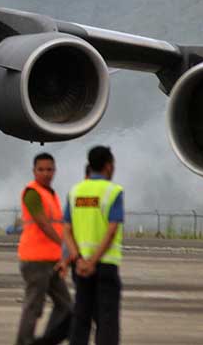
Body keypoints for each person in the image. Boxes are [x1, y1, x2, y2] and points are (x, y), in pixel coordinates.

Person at [63, 146, 123, 345]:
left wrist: (79, 260)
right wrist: (93, 261)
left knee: (81, 318)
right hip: (104, 265)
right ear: (108, 166)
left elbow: (66, 230)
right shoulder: (113, 191)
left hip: (80, 267)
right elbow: (112, 229)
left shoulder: (75, 191)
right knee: (107, 321)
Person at [15, 153, 72, 345]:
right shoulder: (32, 193)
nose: (46, 173)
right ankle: (24, 342)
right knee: (34, 306)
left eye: (49, 169)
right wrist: (65, 245)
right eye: (41, 169)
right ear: (34, 171)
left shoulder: (50, 194)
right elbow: (44, 224)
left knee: (66, 307)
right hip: (35, 260)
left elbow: (58, 225)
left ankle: (45, 341)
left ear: (54, 171)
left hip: (52, 259)